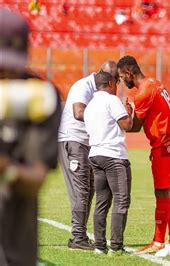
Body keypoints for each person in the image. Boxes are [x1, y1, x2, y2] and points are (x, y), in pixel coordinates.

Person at [0, 8, 61, 265]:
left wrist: (6, 168)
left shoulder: (41, 96)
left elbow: (36, 178)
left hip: (15, 246)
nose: (5, 74)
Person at [117, 56, 170, 257]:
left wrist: (126, 113)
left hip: (165, 144)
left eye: (123, 77)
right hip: (169, 143)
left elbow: (134, 127)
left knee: (161, 192)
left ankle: (158, 242)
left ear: (129, 73)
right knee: (168, 190)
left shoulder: (144, 92)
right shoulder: (154, 83)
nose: (123, 81)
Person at [58, 60, 118, 251]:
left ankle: (79, 235)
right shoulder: (83, 86)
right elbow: (78, 112)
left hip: (85, 143)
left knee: (88, 188)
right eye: (114, 79)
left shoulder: (101, 92)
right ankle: (77, 237)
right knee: (82, 189)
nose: (115, 84)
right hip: (73, 139)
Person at [84, 72, 133, 256]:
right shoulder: (112, 100)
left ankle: (99, 246)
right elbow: (127, 124)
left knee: (102, 202)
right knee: (121, 200)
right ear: (111, 83)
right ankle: (116, 247)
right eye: (117, 83)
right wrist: (129, 111)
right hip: (113, 156)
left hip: (96, 155)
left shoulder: (90, 105)